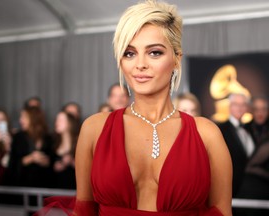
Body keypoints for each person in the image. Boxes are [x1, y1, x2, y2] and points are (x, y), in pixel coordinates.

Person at [35, 1, 232, 215]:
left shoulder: (207, 134)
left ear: (176, 59)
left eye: (154, 52)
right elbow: (84, 210)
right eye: (129, 53)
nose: (140, 64)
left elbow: (222, 212)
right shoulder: (94, 129)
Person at [218, 93, 255, 198]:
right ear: (229, 107)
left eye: (243, 104)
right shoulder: (221, 129)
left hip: (250, 187)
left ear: (247, 108)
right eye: (235, 104)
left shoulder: (250, 129)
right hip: (231, 188)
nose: (239, 108)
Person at [7, 106, 52, 188]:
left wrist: (46, 162)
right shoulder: (18, 137)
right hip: (23, 187)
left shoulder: (48, 138)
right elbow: (12, 165)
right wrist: (31, 158)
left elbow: (52, 163)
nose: (20, 120)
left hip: (43, 186)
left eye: (24, 117)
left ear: (34, 118)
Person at [51, 111, 78, 189]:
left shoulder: (78, 143)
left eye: (61, 120)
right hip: (56, 189)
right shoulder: (53, 143)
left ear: (70, 123)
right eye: (57, 120)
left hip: (74, 190)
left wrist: (72, 162)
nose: (57, 122)